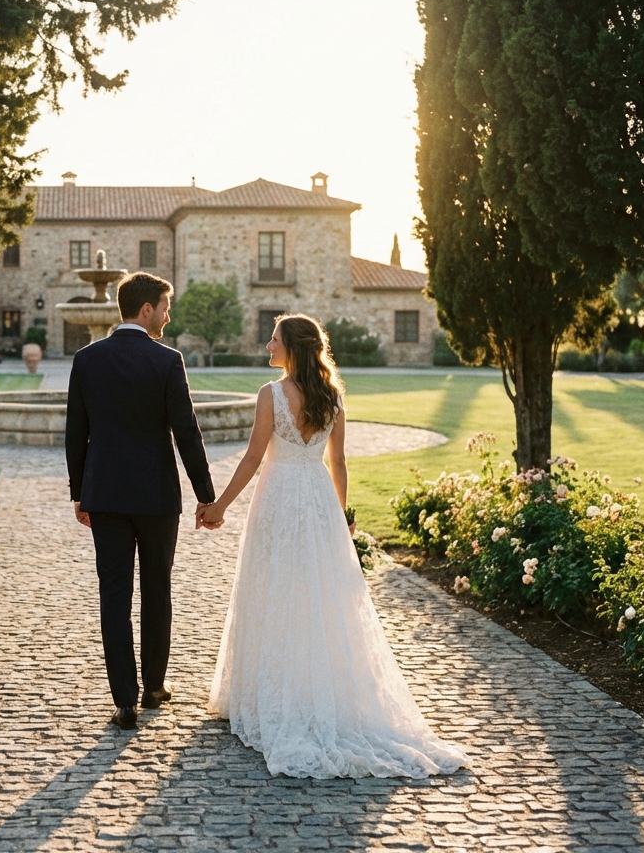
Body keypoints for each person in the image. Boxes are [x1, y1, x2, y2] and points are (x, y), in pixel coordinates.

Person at [200, 313, 468, 778]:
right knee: (319, 598)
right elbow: (338, 461)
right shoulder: (333, 397)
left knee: (273, 590)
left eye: (275, 339)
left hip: (280, 497)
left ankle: (272, 698)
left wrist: (219, 505)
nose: (268, 344)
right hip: (319, 499)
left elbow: (252, 457)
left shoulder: (271, 395)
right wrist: (338, 517)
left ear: (294, 348)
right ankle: (313, 691)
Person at [66, 272, 216, 730]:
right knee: (157, 589)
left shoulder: (87, 359)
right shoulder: (167, 361)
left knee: (113, 595)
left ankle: (124, 701)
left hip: (105, 496)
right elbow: (186, 432)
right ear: (146, 308)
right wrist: (206, 496)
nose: (168, 316)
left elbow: (76, 434)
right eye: (165, 307)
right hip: (157, 498)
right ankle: (154, 686)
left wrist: (79, 492)